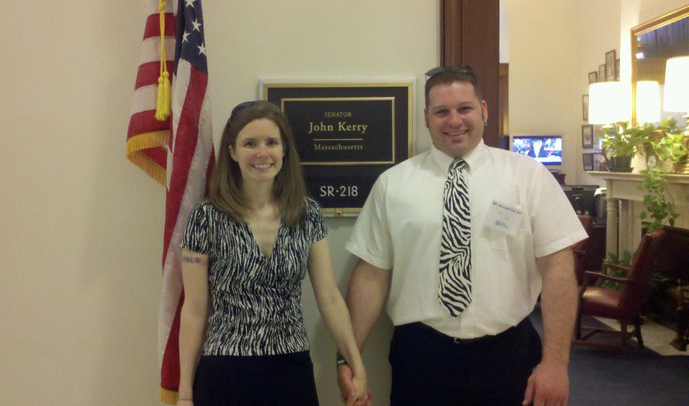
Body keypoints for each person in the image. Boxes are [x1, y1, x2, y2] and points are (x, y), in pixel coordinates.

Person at [337, 65, 587, 406]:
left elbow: (557, 267)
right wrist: (348, 357)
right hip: (421, 358)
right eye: (442, 111)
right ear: (427, 118)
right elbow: (371, 276)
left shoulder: (528, 176)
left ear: (483, 110)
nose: (454, 121)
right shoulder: (393, 185)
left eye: (464, 108)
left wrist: (556, 363)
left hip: (508, 355)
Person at [178, 100, 368, 406]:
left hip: (291, 370)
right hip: (225, 371)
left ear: (284, 150)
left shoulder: (307, 214)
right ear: (232, 151)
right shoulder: (205, 218)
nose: (262, 153)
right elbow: (194, 310)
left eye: (271, 142)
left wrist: (356, 364)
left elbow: (330, 298)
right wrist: (185, 394)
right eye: (250, 143)